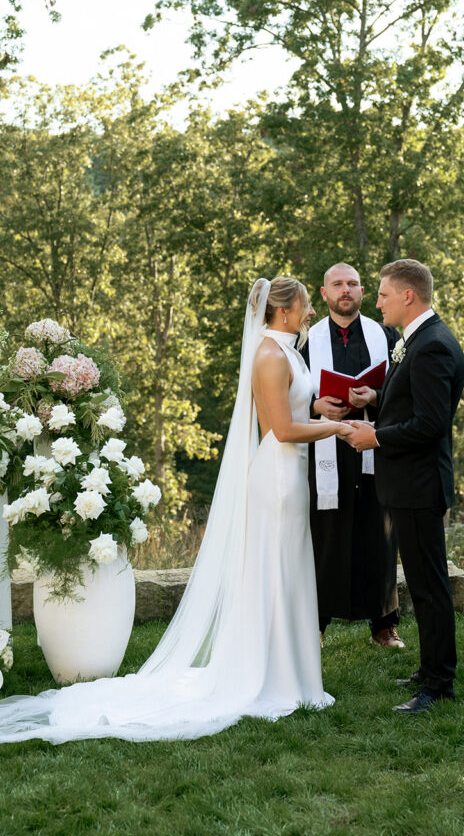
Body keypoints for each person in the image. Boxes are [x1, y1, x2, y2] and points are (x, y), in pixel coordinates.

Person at [0, 277, 350, 744]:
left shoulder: (287, 350)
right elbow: (281, 431)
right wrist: (335, 429)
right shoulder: (268, 354)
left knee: (287, 572)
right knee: (274, 573)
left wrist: (319, 408)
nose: (310, 313)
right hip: (278, 479)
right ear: (283, 311)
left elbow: (291, 408)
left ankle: (292, 674)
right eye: (306, 305)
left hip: (292, 477)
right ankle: (272, 678)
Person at [345, 259, 464, 715]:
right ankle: (430, 668)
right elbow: (414, 400)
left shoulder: (432, 346)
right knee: (421, 585)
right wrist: (378, 399)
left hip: (419, 485)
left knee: (430, 588)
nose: (376, 302)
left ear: (408, 296)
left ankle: (438, 686)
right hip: (408, 484)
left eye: (382, 295)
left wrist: (374, 435)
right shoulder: (417, 340)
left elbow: (432, 423)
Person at [301, 263, 402, 648]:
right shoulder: (306, 342)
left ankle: (383, 623)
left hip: (373, 445)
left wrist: (375, 397)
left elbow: (402, 393)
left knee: (379, 534)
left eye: (354, 284)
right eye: (338, 284)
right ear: (324, 294)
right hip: (323, 453)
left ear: (363, 293)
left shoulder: (387, 337)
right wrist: (315, 406)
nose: (346, 290)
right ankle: (316, 622)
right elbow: (287, 396)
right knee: (323, 536)